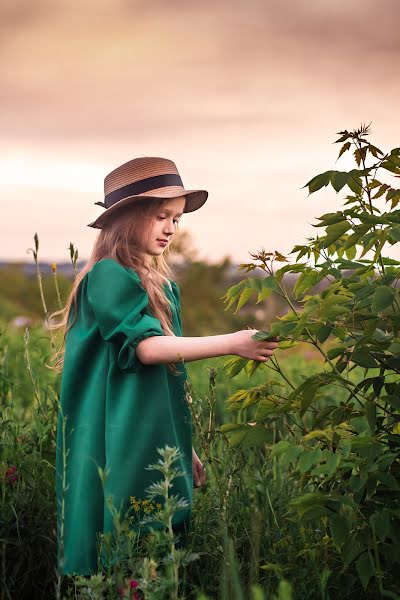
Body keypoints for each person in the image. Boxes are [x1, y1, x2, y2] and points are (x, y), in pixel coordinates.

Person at [50, 156, 279, 576]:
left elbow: (166, 374)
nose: (171, 228)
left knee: (156, 535)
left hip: (148, 425)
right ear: (126, 219)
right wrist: (232, 343)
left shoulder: (162, 284)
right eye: (160, 217)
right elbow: (148, 350)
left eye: (175, 219)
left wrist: (183, 443)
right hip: (112, 427)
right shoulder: (107, 276)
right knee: (117, 526)